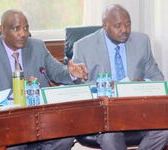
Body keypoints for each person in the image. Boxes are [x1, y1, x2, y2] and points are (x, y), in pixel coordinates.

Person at [0, 9, 88, 150]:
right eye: (16, 28)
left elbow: (58, 72)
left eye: (26, 28)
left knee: (65, 138)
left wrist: (71, 73)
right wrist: (22, 90)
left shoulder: (37, 46)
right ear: (2, 29)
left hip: (41, 120)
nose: (23, 34)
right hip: (9, 124)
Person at [72, 4, 168, 150]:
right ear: (105, 26)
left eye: (128, 24)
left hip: (138, 109)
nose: (125, 30)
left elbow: (158, 79)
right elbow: (80, 87)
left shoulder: (142, 42)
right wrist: (106, 86)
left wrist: (143, 82)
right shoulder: (83, 46)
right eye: (118, 26)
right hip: (105, 113)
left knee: (164, 128)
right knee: (110, 135)